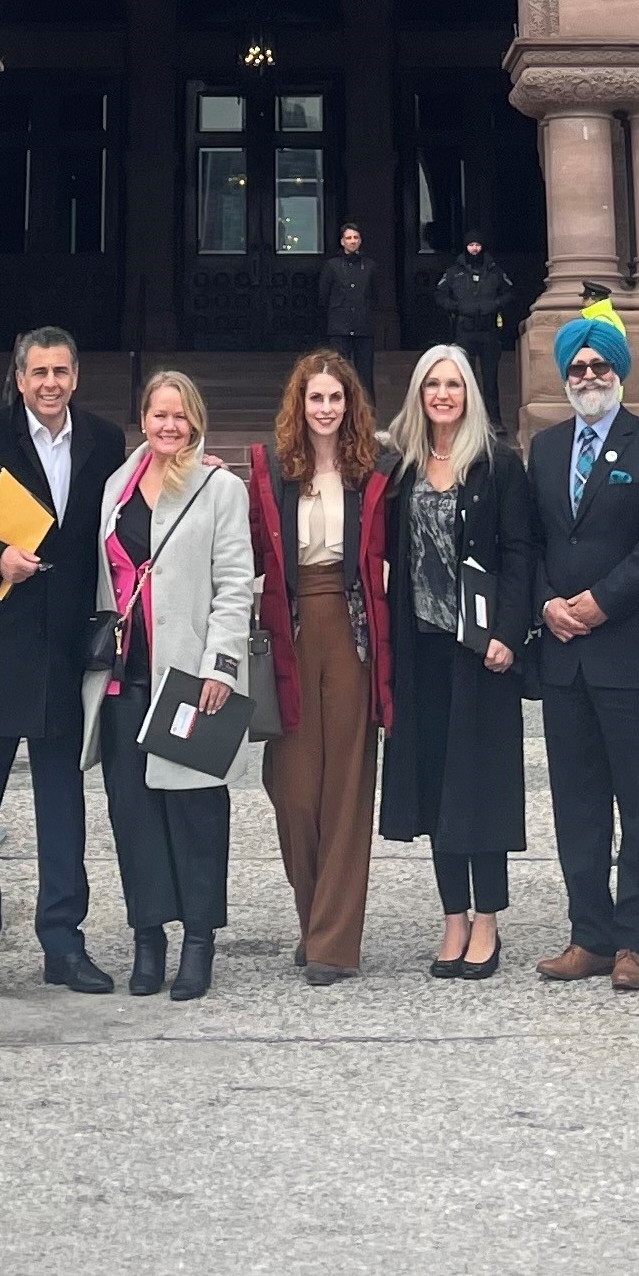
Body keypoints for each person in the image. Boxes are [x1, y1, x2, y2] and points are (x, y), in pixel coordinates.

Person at [0, 325, 123, 1001]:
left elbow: (128, 513)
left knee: (63, 809)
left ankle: (63, 943)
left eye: (60, 372)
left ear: (75, 376)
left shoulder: (103, 441)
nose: (50, 384)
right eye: (39, 372)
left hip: (65, 653)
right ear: (19, 377)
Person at [527, 294, 639, 989]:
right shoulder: (544, 448)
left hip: (632, 657)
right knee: (578, 805)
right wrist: (545, 602)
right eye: (578, 367)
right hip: (564, 659)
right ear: (565, 375)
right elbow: (528, 540)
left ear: (619, 372)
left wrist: (600, 602)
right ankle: (589, 936)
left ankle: (635, 943)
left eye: (600, 366)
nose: (589, 376)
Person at [88, 367, 258, 1000]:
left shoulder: (219, 488)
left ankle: (199, 940)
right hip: (124, 679)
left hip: (188, 677)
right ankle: (148, 937)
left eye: (180, 415)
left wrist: (222, 666)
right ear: (143, 419)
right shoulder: (116, 486)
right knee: (133, 814)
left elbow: (235, 584)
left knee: (195, 810)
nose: (169, 425)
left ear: (196, 422)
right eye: (159, 414)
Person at [378, 340, 533, 978]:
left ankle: (488, 918)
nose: (443, 394)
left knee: (482, 784)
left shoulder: (498, 464)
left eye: (454, 384)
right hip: (422, 648)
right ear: (419, 394)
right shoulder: (402, 469)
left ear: (469, 394)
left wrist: (509, 633)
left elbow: (521, 553)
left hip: (481, 652)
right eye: (432, 384)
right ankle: (452, 917)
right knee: (437, 782)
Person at [245, 347, 391, 980]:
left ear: (349, 404)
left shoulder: (375, 471)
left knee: (347, 790)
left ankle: (333, 943)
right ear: (298, 405)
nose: (326, 408)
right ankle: (312, 921)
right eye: (316, 398)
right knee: (295, 791)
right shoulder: (272, 471)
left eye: (336, 397)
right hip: (292, 627)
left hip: (353, 632)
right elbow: (246, 551)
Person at [436, 235, 512, 420]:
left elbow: (509, 293)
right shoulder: (454, 272)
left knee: (490, 380)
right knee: (463, 377)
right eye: (471, 245)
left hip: (488, 330)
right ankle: (464, 419)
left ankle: (494, 420)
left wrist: (494, 304)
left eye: (478, 245)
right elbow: (440, 295)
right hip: (464, 330)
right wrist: (456, 307)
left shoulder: (494, 271)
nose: (475, 249)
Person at [320, 223, 380, 400]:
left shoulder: (370, 266)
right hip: (339, 326)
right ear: (342, 241)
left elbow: (374, 295)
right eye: (348, 238)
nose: (352, 241)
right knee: (338, 371)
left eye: (355, 237)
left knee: (365, 374)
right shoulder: (332, 266)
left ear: (360, 240)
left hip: (363, 325)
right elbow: (323, 295)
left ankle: (367, 410)